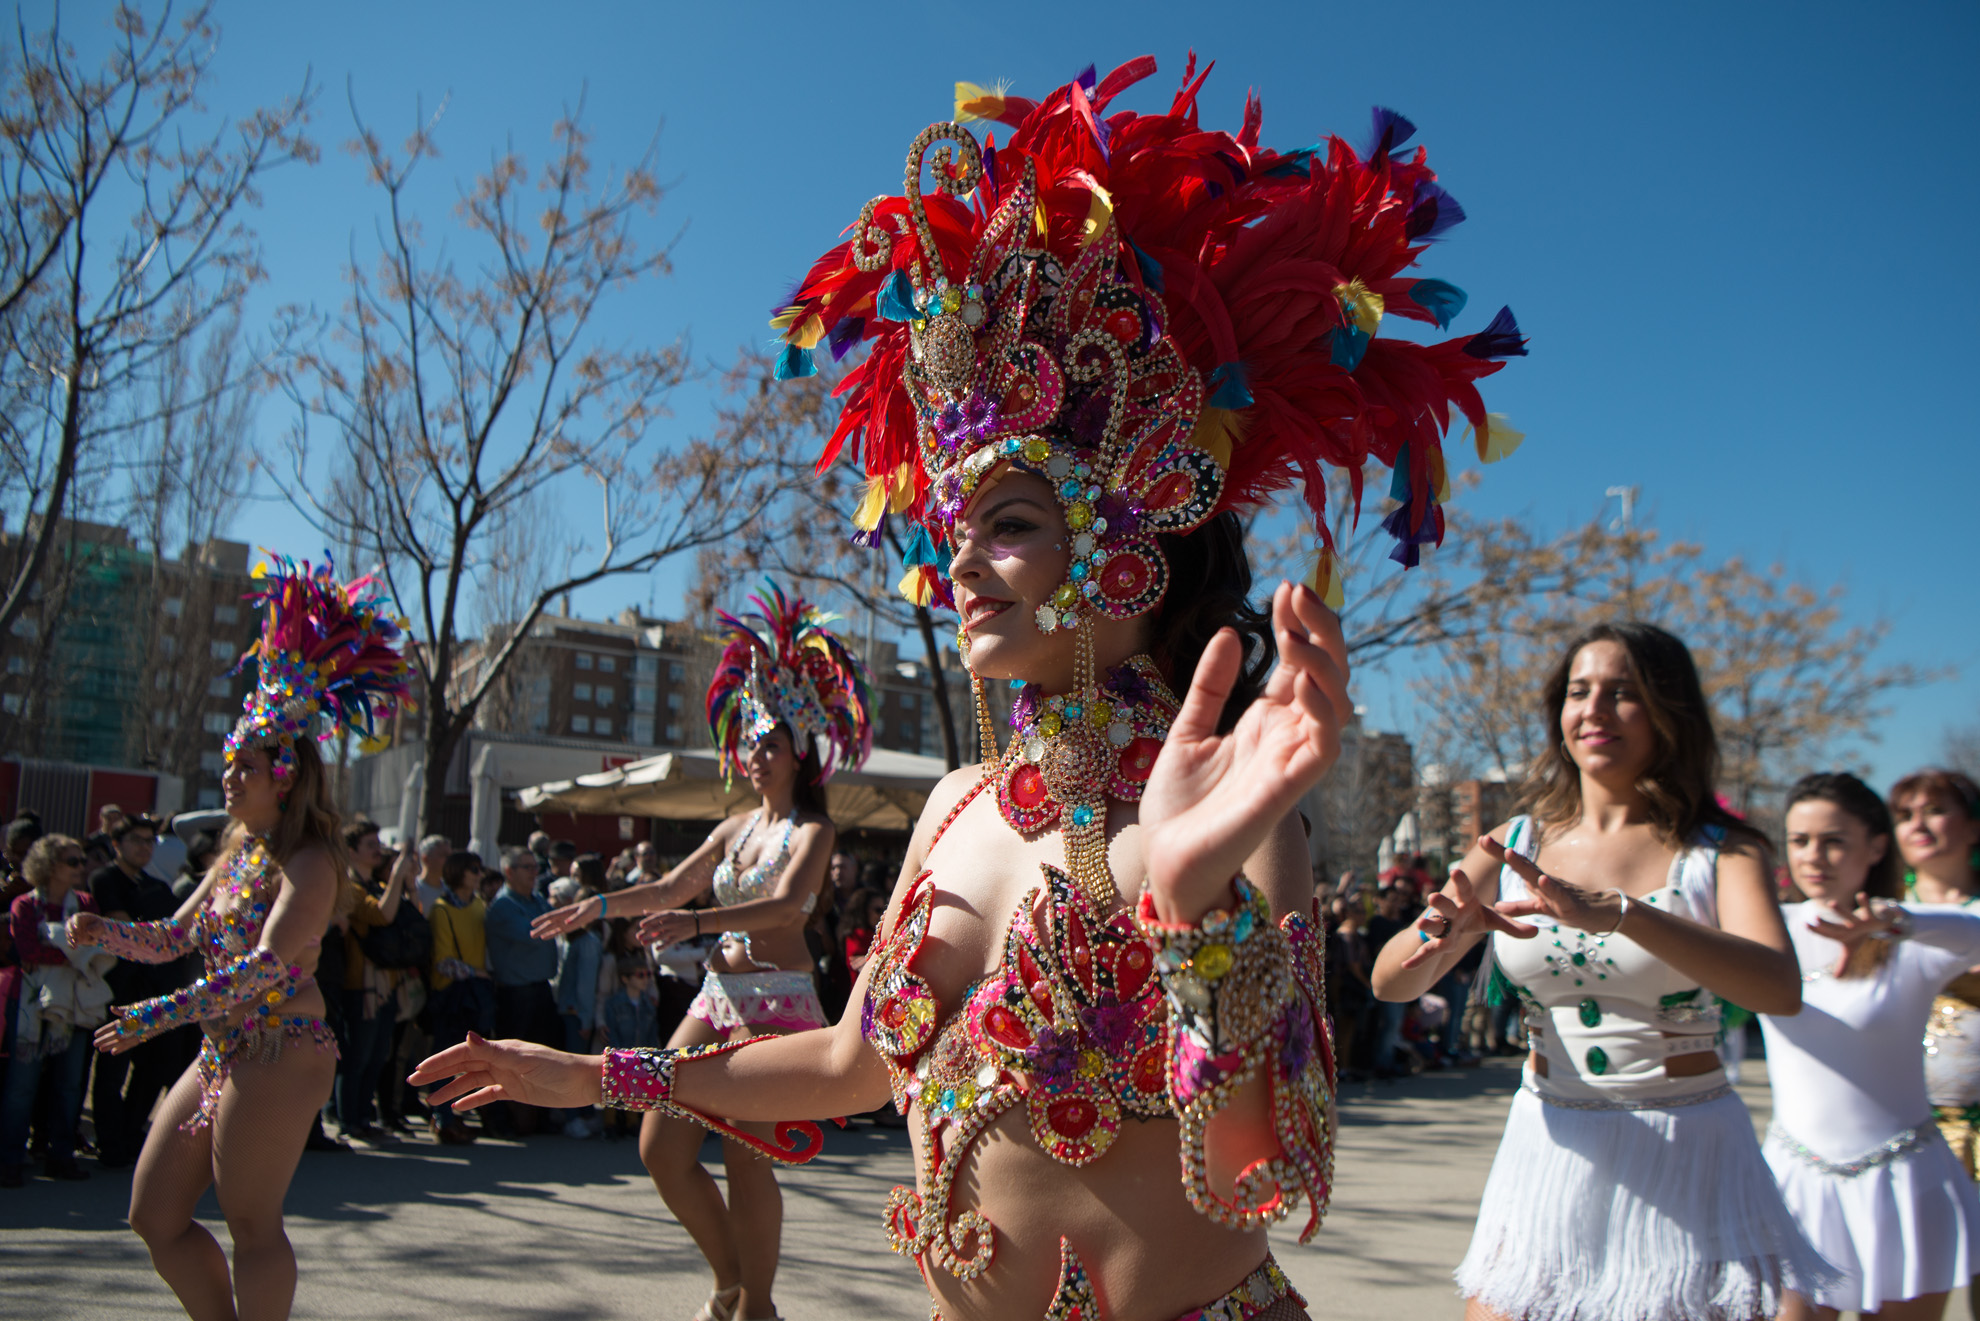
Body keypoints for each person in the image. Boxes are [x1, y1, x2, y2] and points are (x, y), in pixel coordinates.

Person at [413, 61, 1515, 1321]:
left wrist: (1198, 908)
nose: (958, 571)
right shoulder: (952, 804)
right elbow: (848, 1063)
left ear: (1123, 544)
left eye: (1009, 527)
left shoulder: (1242, 809)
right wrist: (599, 1076)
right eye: (953, 533)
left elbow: (1286, 1172)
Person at [1372, 621, 1827, 1321]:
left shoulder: (1722, 851)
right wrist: (1440, 939)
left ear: (1669, 711)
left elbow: (1778, 988)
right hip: (1546, 1142)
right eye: (1579, 691)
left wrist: (1621, 912)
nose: (1594, 710)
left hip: (1689, 1148)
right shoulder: (1512, 842)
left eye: (1623, 693)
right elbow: (1388, 983)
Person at [67, 552, 411, 1319]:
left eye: (244, 762)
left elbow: (264, 968)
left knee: (252, 1221)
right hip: (222, 1046)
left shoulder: (312, 860)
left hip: (282, 1049)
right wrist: (106, 930)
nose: (229, 773)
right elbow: (170, 938)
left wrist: (154, 1016)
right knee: (153, 1215)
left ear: (284, 771)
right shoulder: (237, 853)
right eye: (229, 759)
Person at [530, 583, 865, 1321]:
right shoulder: (737, 825)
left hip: (778, 1003)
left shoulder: (813, 831)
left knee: (746, 1159)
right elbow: (674, 886)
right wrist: (602, 905)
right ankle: (731, 1282)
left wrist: (700, 923)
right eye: (749, 740)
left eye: (770, 741)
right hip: (717, 1000)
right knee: (659, 1143)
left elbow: (787, 908)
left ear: (799, 748)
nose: (755, 753)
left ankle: (758, 1308)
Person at [1757, 771, 1980, 1321]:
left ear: (1876, 845)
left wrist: (1899, 920)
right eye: (1800, 840)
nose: (1814, 856)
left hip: (1905, 1185)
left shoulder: (1912, 940)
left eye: (1834, 840)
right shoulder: (1766, 932)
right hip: (1792, 1183)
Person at [1, 835, 112, 1185]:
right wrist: (68, 952)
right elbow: (28, 951)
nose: (82, 867)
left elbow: (95, 946)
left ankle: (60, 1156)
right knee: (22, 1085)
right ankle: (10, 1159)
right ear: (50, 866)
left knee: (69, 1084)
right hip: (31, 1005)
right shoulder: (24, 904)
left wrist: (57, 949)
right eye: (73, 861)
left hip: (74, 1002)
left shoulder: (85, 902)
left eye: (81, 860)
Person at [89, 815, 197, 1169]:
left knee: (154, 1069)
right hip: (117, 990)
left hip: (158, 990)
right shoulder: (105, 878)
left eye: (149, 841)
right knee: (110, 1072)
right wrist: (148, 925)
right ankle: (110, 1144)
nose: (144, 847)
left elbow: (172, 933)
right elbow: (124, 929)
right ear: (116, 845)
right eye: (136, 840)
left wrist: (149, 923)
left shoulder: (157, 885)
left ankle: (131, 1133)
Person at [335, 822, 416, 1142]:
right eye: (370, 844)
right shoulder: (349, 888)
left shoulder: (378, 885)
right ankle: (348, 1119)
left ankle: (363, 1117)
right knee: (358, 1056)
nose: (378, 849)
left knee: (379, 1054)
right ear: (351, 851)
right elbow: (383, 916)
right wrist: (397, 875)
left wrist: (406, 883)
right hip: (361, 986)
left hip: (386, 985)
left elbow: (409, 917)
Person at [484, 845, 562, 1135]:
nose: (534, 873)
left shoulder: (537, 899)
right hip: (516, 994)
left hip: (539, 989)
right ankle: (505, 1120)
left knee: (543, 1057)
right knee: (511, 1060)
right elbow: (538, 931)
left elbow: (554, 922)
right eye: (527, 867)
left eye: (535, 867)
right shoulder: (504, 906)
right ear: (509, 871)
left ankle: (537, 1119)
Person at [426, 850, 495, 1145]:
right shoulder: (441, 910)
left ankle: (459, 1115)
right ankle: (443, 1119)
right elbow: (442, 960)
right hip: (451, 994)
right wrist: (474, 972)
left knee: (475, 1060)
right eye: (473, 869)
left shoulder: (480, 906)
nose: (479, 874)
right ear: (458, 873)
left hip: (476, 995)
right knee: (446, 1060)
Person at [412, 835, 450, 916]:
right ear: (425, 859)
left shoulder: (450, 890)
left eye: (450, 856)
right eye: (444, 855)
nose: (449, 860)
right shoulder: (413, 888)